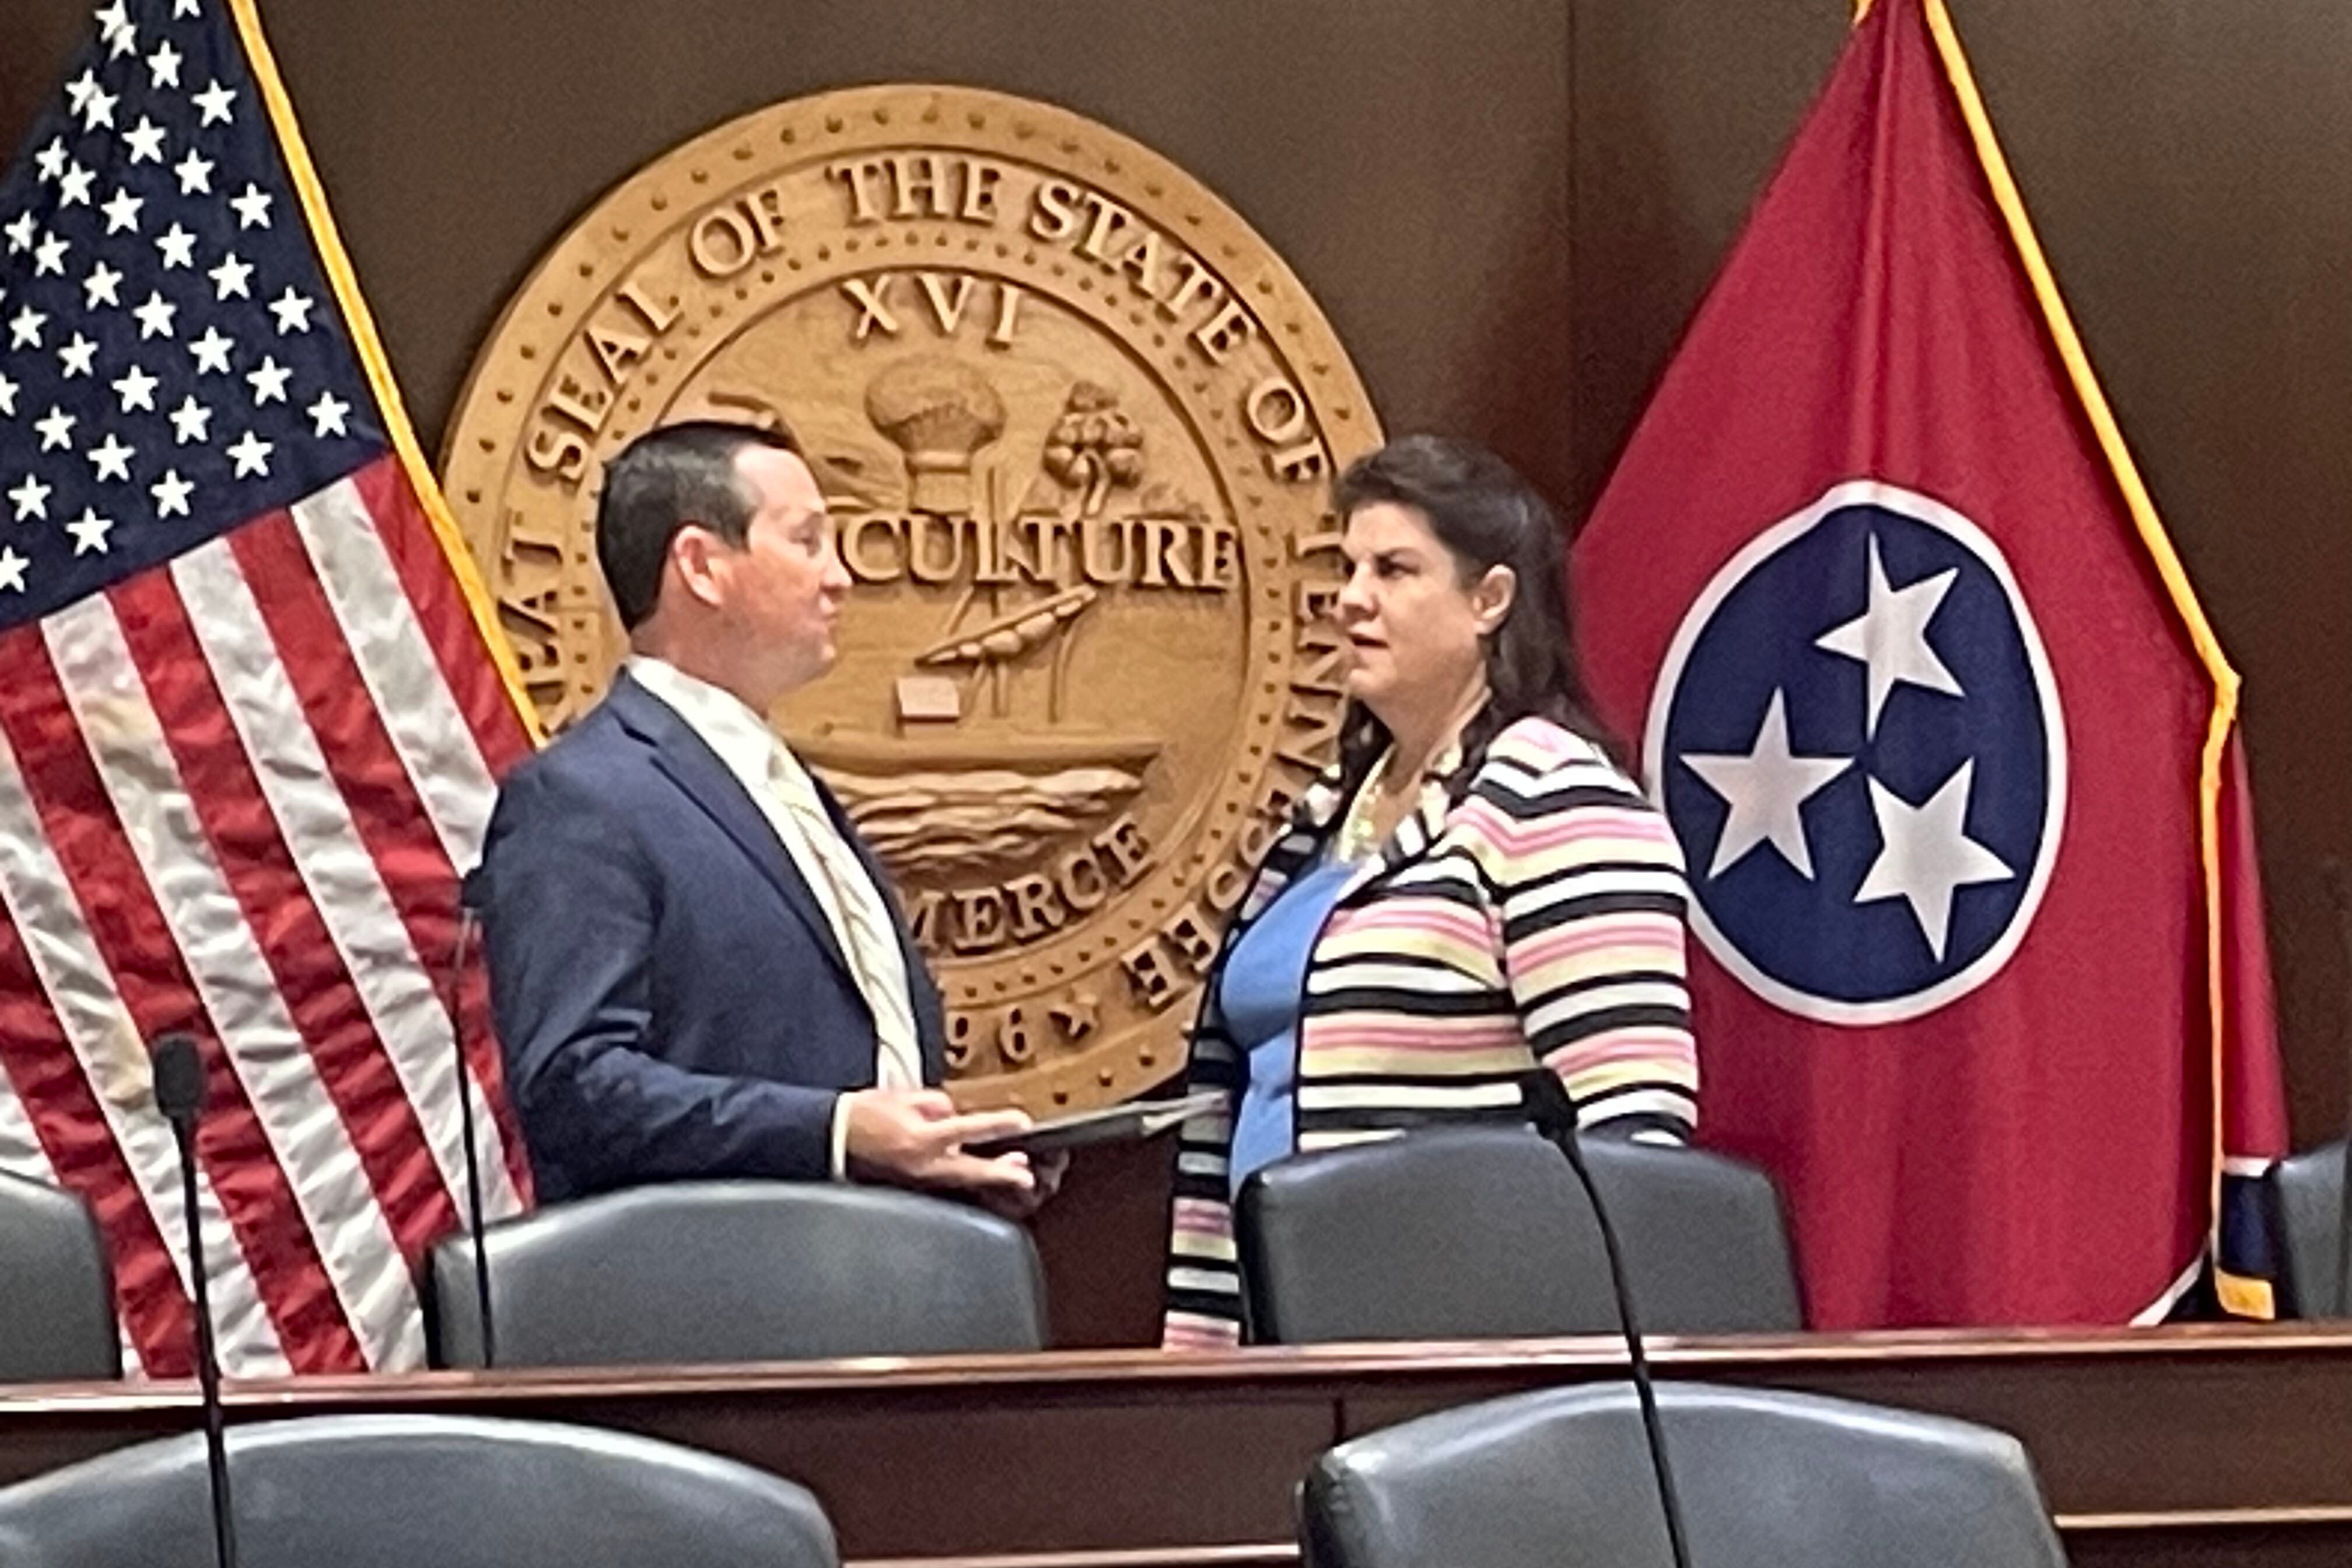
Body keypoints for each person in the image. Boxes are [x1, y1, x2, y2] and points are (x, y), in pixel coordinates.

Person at [1161, 435, 1700, 1348]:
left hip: (1464, 1346)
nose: (1352, 600)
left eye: (1396, 570)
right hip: (1275, 1342)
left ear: (1490, 600)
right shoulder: (1328, 812)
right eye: (1349, 568)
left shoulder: (1556, 798)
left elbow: (1636, 1130)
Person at [476, 421, 1041, 1209]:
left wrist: (943, 1153)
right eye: (808, 540)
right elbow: (575, 1085)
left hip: (886, 1274)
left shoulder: (789, 787)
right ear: (702, 566)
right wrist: (835, 1134)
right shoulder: (582, 798)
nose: (840, 577)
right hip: (721, 1302)